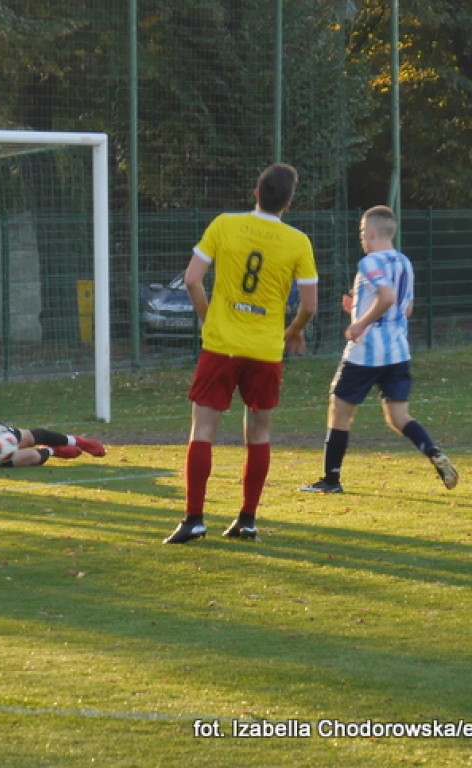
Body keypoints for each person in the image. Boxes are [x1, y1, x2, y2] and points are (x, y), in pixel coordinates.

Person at [164, 163, 318, 544]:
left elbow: (191, 279)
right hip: (265, 350)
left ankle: (194, 519)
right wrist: (294, 330)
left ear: (255, 192)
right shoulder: (298, 241)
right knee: (260, 432)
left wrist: (208, 317)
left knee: (202, 430)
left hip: (221, 345)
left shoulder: (224, 224)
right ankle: (247, 519)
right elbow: (311, 305)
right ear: (288, 203)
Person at [300, 205, 458, 494]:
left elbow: (386, 297)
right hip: (398, 352)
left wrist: (359, 323)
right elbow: (405, 308)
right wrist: (357, 307)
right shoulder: (404, 263)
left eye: (362, 231)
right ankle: (434, 453)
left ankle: (331, 480)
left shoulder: (370, 263)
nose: (361, 236)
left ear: (370, 232)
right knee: (399, 417)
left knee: (339, 412)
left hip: (366, 354)